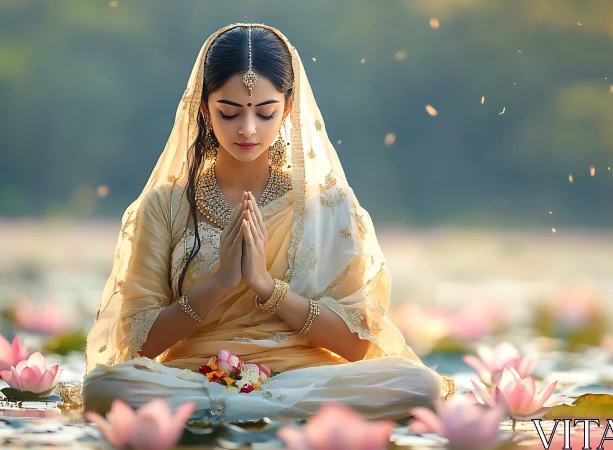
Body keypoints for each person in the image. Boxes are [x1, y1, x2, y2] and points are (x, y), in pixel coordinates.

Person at [83, 23, 453, 422]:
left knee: (417, 385)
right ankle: (267, 411)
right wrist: (220, 283)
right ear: (204, 108)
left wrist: (267, 288)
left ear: (288, 108)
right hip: (195, 375)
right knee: (106, 386)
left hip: (304, 376)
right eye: (229, 112)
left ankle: (232, 410)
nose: (247, 129)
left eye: (265, 112)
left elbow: (357, 345)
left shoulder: (326, 205)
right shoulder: (167, 205)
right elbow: (136, 344)